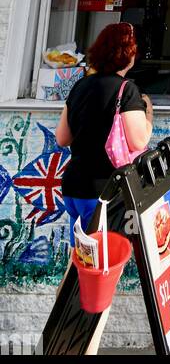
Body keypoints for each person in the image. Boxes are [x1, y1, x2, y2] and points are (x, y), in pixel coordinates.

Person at [55, 22, 153, 245]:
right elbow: (139, 141)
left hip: (73, 189)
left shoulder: (80, 85)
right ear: (129, 54)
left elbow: (62, 138)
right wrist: (148, 114)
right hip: (102, 192)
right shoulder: (126, 90)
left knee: (81, 258)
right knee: (101, 263)